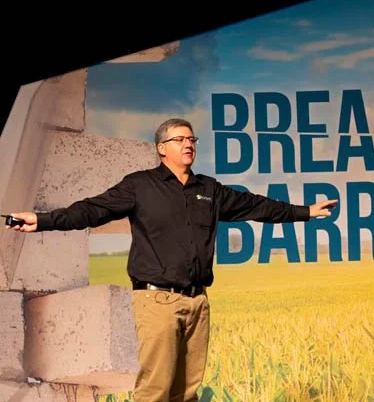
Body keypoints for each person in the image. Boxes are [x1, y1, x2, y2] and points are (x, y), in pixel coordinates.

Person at [5, 117, 338, 402]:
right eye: (179, 139)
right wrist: (44, 220)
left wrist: (305, 212)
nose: (188, 144)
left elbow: (256, 206)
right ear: (161, 148)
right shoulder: (139, 186)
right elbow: (92, 210)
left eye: (191, 139)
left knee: (187, 392)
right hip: (157, 301)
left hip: (198, 303)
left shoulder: (208, 189)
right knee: (156, 390)